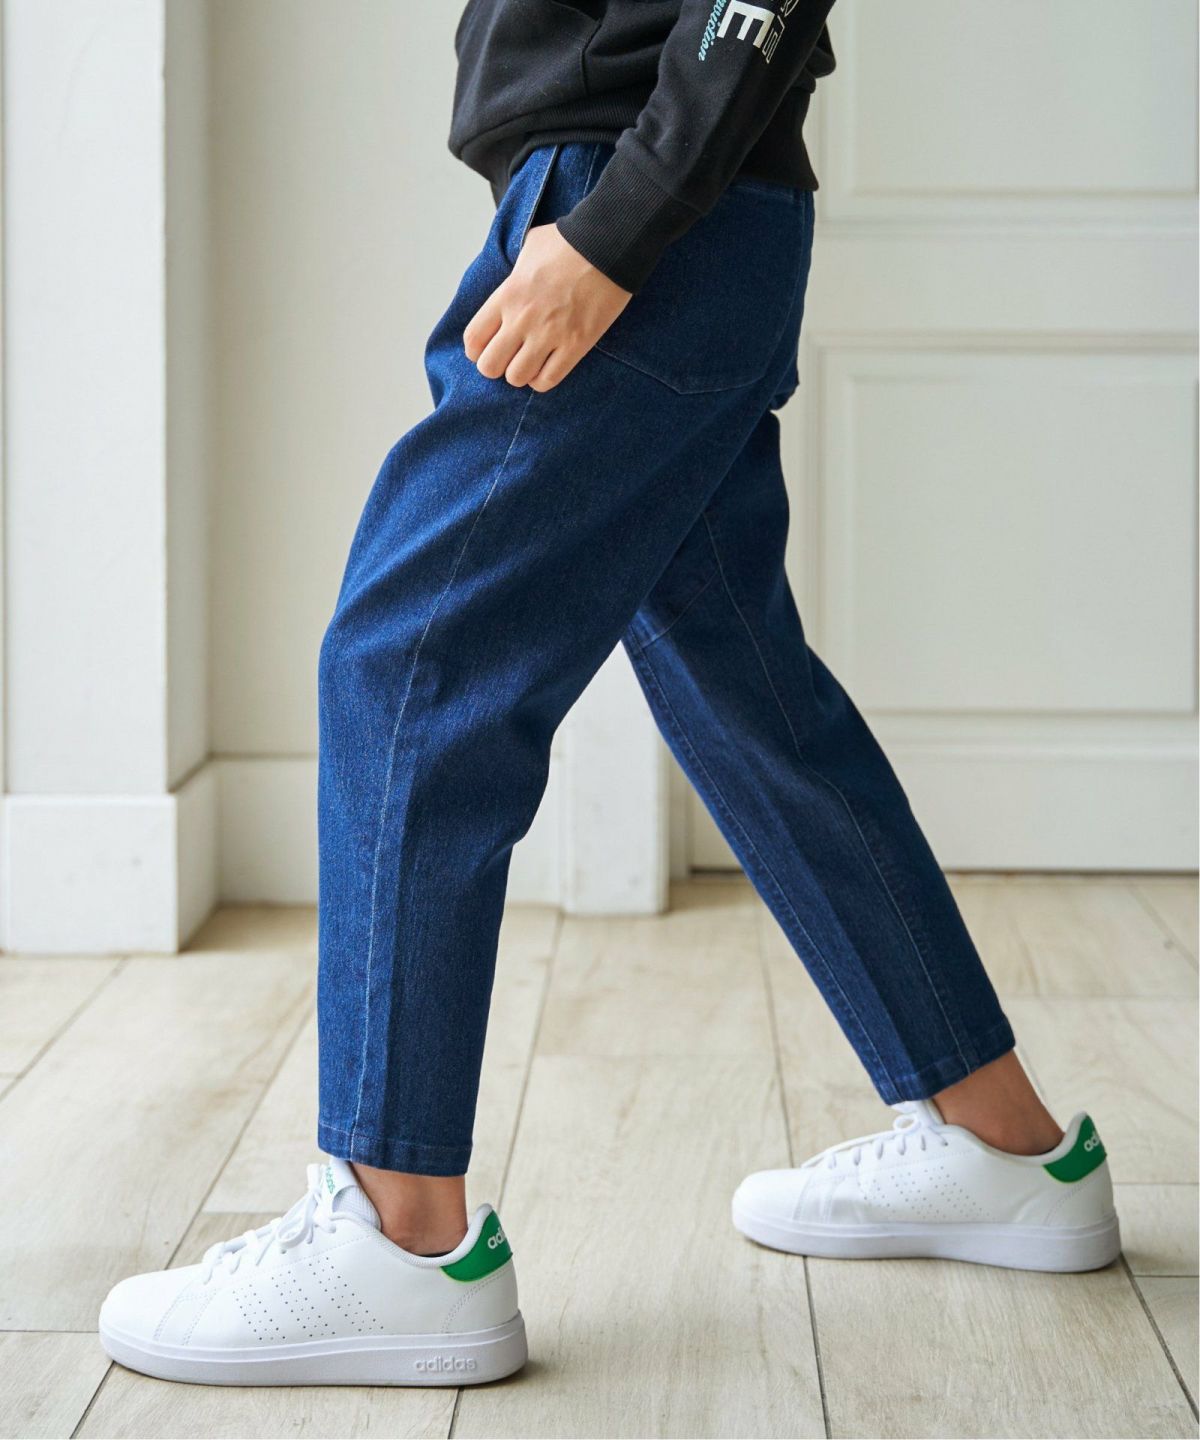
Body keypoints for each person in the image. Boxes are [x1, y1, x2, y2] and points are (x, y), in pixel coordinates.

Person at [99, 0, 1120, 1388]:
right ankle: (1004, 1145)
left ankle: (399, 1238)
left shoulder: (625, 213)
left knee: (409, 662)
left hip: (636, 207)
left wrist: (614, 228)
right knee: (741, 689)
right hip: (680, 206)